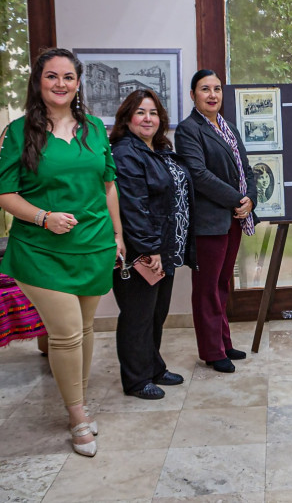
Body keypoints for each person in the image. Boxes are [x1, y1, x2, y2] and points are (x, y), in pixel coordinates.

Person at [0, 48, 124, 457]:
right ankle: (77, 417)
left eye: (68, 77)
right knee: (67, 331)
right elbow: (1, 193)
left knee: (86, 328)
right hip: (41, 248)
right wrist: (44, 217)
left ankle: (80, 399)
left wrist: (118, 235)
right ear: (38, 82)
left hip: (93, 244)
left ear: (78, 84)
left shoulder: (95, 129)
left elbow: (108, 185)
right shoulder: (18, 132)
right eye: (52, 76)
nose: (61, 84)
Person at [110, 89, 196, 400]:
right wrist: (150, 249)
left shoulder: (157, 149)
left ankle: (154, 367)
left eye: (153, 113)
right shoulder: (125, 153)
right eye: (140, 112)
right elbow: (134, 206)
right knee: (138, 316)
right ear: (127, 118)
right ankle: (136, 380)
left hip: (164, 247)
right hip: (141, 251)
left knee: (156, 313)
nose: (148, 118)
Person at [175, 70, 257, 373]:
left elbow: (246, 169)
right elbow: (198, 175)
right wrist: (237, 199)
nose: (212, 95)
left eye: (217, 89)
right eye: (205, 89)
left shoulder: (228, 127)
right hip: (209, 222)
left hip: (233, 218)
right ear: (193, 95)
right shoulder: (188, 130)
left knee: (222, 283)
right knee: (207, 287)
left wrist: (250, 199)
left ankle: (223, 342)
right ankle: (212, 350)